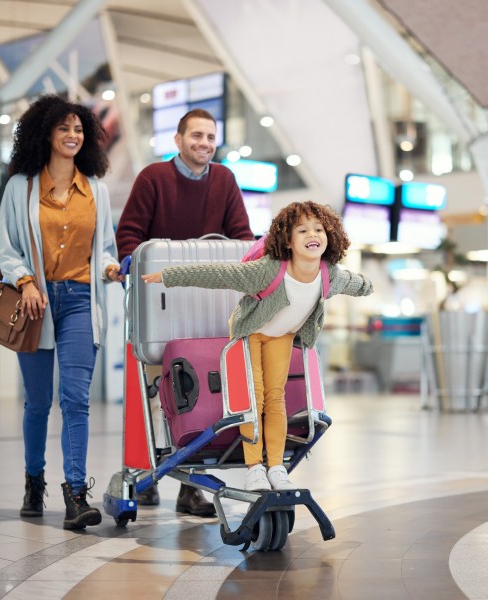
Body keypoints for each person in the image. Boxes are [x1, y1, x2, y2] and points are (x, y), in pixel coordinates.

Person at [142, 201, 373, 491]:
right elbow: (218, 275)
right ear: (287, 241)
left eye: (318, 229)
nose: (312, 234)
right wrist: (168, 276)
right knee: (253, 397)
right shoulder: (268, 270)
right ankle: (254, 469)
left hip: (282, 335)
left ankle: (275, 466)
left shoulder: (330, 275)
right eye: (302, 230)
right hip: (251, 332)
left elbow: (356, 283)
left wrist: (368, 286)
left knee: (276, 398)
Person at [116, 107, 253, 516]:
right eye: (196, 136)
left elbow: (242, 237)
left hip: (206, 304)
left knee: (196, 393)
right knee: (156, 394)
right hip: (159, 304)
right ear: (178, 140)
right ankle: (142, 470)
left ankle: (187, 485)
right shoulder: (153, 179)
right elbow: (128, 235)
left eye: (210, 137)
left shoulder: (225, 180)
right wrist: (128, 262)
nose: (204, 144)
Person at [0, 94, 122, 530]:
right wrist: (25, 281)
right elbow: (8, 247)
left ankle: (75, 496)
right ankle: (34, 481)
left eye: (79, 129)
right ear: (45, 133)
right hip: (35, 303)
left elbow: (105, 245)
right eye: (64, 128)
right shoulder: (21, 187)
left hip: (81, 302)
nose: (72, 135)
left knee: (76, 400)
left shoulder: (97, 190)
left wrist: (109, 265)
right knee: (38, 403)